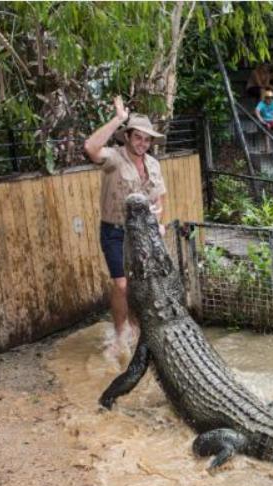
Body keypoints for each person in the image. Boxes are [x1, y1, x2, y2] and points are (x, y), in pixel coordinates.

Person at [84, 96, 166, 360]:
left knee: (141, 285)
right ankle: (120, 334)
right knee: (121, 285)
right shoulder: (114, 159)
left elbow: (159, 200)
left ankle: (138, 327)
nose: (142, 143)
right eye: (138, 137)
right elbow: (91, 147)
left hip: (144, 233)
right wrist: (118, 118)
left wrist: (159, 220)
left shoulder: (153, 164)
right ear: (128, 137)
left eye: (147, 139)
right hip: (115, 231)